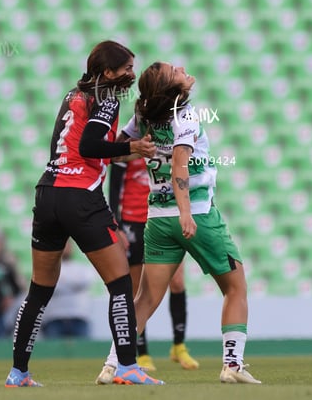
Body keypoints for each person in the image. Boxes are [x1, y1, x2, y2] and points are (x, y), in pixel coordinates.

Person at [5, 40, 164, 387]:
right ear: (107, 72)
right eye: (126, 69)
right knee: (121, 283)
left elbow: (82, 151)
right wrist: (132, 146)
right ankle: (125, 366)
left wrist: (128, 152)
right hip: (80, 198)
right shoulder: (105, 98)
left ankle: (18, 372)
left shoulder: (73, 96)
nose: (131, 75)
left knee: (39, 290)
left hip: (47, 192)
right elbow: (89, 146)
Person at [97, 61, 261, 385]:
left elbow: (114, 152)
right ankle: (232, 364)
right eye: (175, 70)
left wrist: (136, 149)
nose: (183, 68)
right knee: (236, 287)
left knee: (144, 299)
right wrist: (186, 212)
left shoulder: (144, 115)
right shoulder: (185, 114)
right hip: (197, 213)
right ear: (173, 90)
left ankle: (112, 364)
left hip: (156, 220)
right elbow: (180, 167)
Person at [109, 157, 199, 370]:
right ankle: (142, 352)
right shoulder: (130, 142)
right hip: (133, 222)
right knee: (137, 287)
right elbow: (114, 186)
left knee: (177, 281)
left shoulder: (168, 141)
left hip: (162, 216)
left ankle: (179, 346)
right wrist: (117, 225)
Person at [41, 238, 96, 338]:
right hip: (54, 318)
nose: (66, 248)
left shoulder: (81, 268)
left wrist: (61, 283)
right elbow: (48, 286)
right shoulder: (48, 269)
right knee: (53, 352)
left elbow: (86, 281)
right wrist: (74, 286)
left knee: (82, 351)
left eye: (68, 245)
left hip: (79, 317)